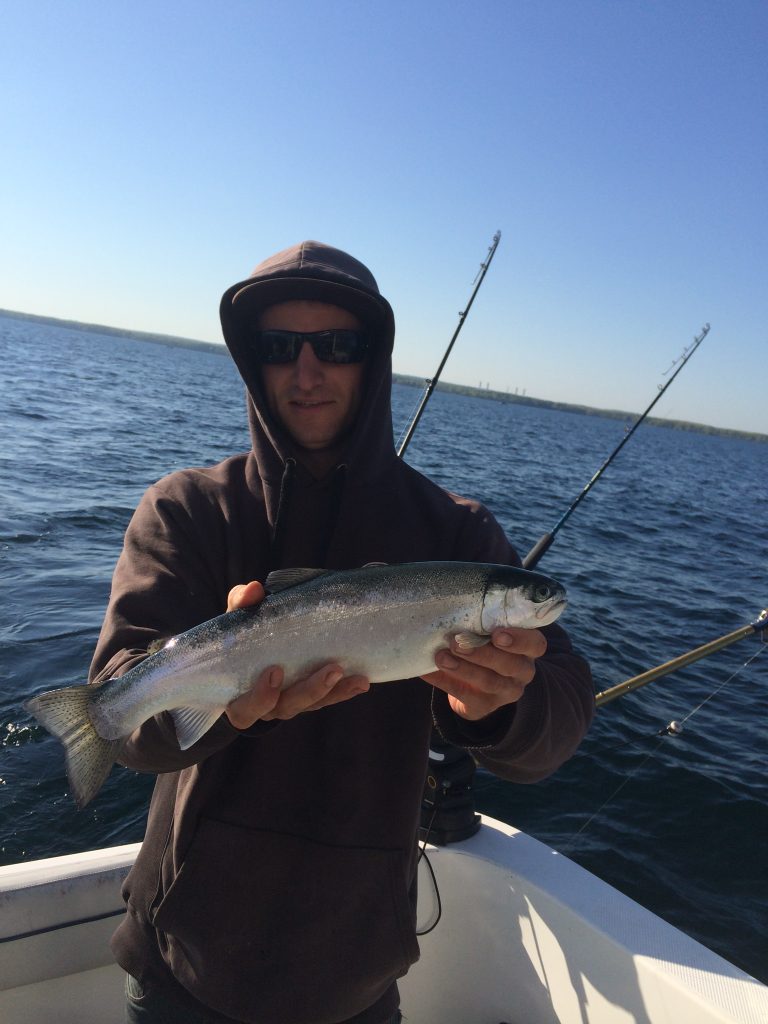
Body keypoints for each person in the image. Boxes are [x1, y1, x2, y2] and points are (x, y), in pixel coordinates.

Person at [89, 241, 594, 1024]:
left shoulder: (456, 535)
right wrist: (223, 709)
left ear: (373, 358)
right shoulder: (187, 511)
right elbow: (126, 723)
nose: (307, 371)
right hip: (182, 966)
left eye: (337, 345)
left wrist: (500, 705)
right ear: (250, 360)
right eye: (279, 346)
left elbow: (559, 720)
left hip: (356, 977)